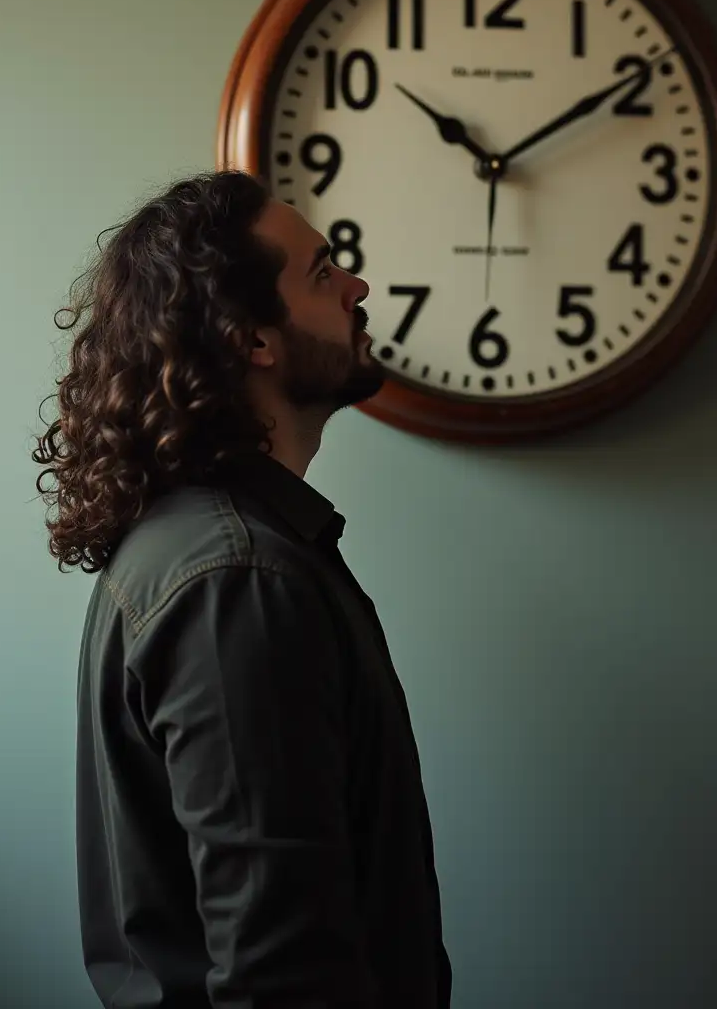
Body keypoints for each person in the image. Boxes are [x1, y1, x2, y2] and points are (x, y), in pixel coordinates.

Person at [32, 170, 452, 1008]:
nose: (359, 287)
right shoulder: (237, 582)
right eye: (324, 273)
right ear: (252, 339)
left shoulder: (213, 551)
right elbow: (279, 973)